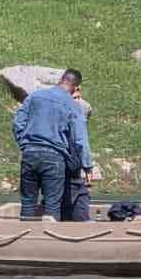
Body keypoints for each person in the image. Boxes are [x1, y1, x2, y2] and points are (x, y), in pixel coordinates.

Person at [12, 69, 93, 221]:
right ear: (76, 88)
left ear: (60, 80)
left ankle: (26, 239)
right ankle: (49, 239)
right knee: (52, 207)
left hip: (30, 154)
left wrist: (25, 145)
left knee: (28, 203)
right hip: (54, 157)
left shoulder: (35, 96)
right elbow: (80, 139)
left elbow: (18, 122)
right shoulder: (73, 105)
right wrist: (87, 166)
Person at [60, 84, 93, 221]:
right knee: (77, 193)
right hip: (67, 165)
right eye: (75, 96)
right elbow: (81, 142)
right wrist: (88, 168)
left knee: (75, 195)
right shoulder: (75, 110)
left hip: (68, 165)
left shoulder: (81, 107)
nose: (78, 99)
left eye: (79, 96)